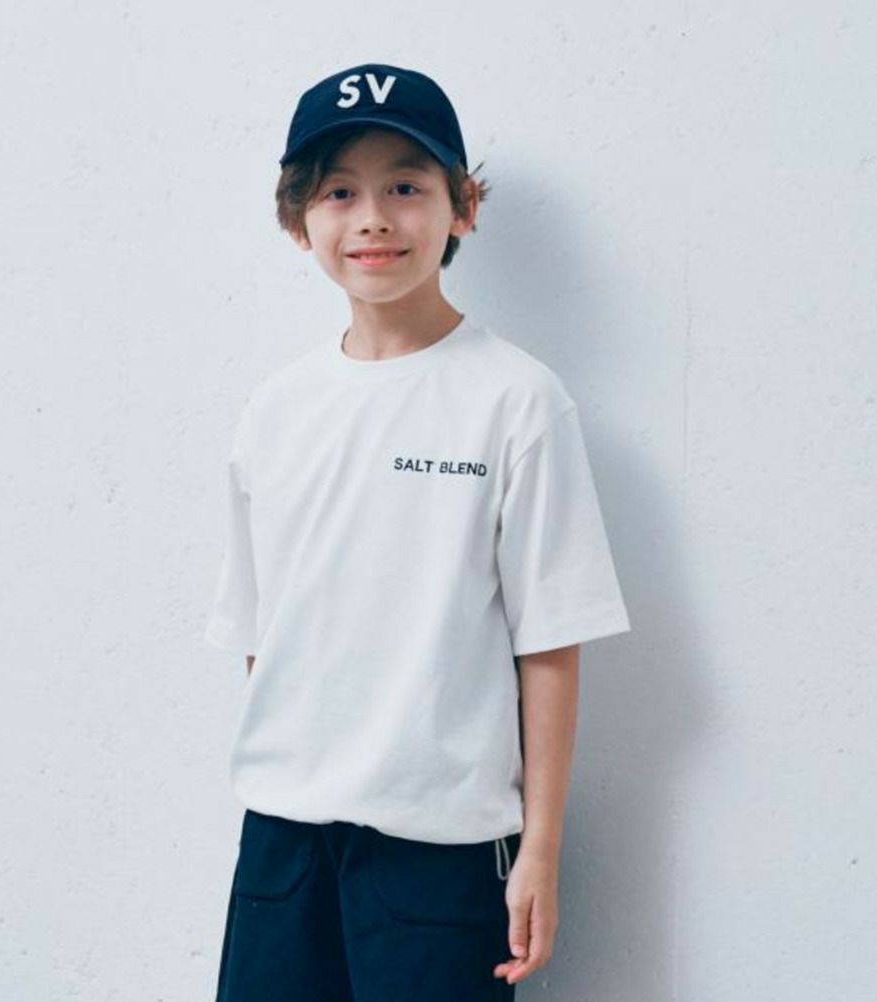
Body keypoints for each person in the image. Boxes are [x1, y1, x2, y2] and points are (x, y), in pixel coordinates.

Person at [204, 61, 631, 1001]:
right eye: (339, 192)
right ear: (297, 220)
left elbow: (550, 644)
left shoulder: (517, 401)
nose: (373, 218)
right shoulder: (276, 409)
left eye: (406, 186)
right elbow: (261, 635)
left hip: (444, 849)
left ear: (462, 206)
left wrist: (540, 849)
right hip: (281, 843)